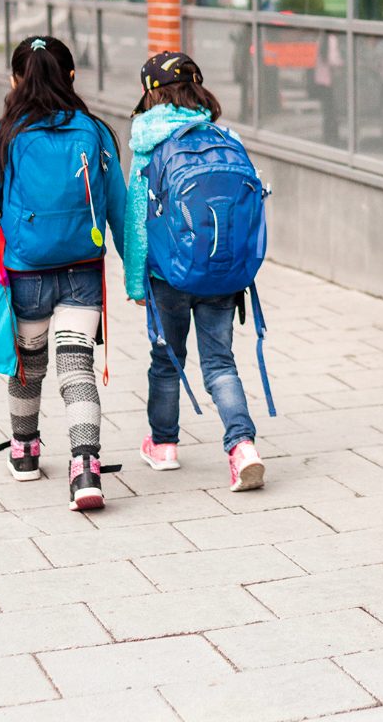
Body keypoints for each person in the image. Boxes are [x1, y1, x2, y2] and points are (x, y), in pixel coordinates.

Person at [0, 35, 128, 512]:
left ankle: (25, 452)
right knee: (76, 367)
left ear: (16, 79)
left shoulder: (3, 136)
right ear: (72, 76)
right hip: (83, 268)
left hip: (26, 271)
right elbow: (118, 208)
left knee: (28, 365)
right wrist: (137, 275)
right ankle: (85, 470)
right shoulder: (96, 132)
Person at [124, 50, 267, 493]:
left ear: (151, 94)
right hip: (223, 272)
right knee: (220, 363)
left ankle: (164, 446)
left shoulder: (149, 145)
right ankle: (242, 446)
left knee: (167, 360)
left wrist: (135, 282)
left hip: (169, 276)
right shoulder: (227, 137)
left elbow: (136, 222)